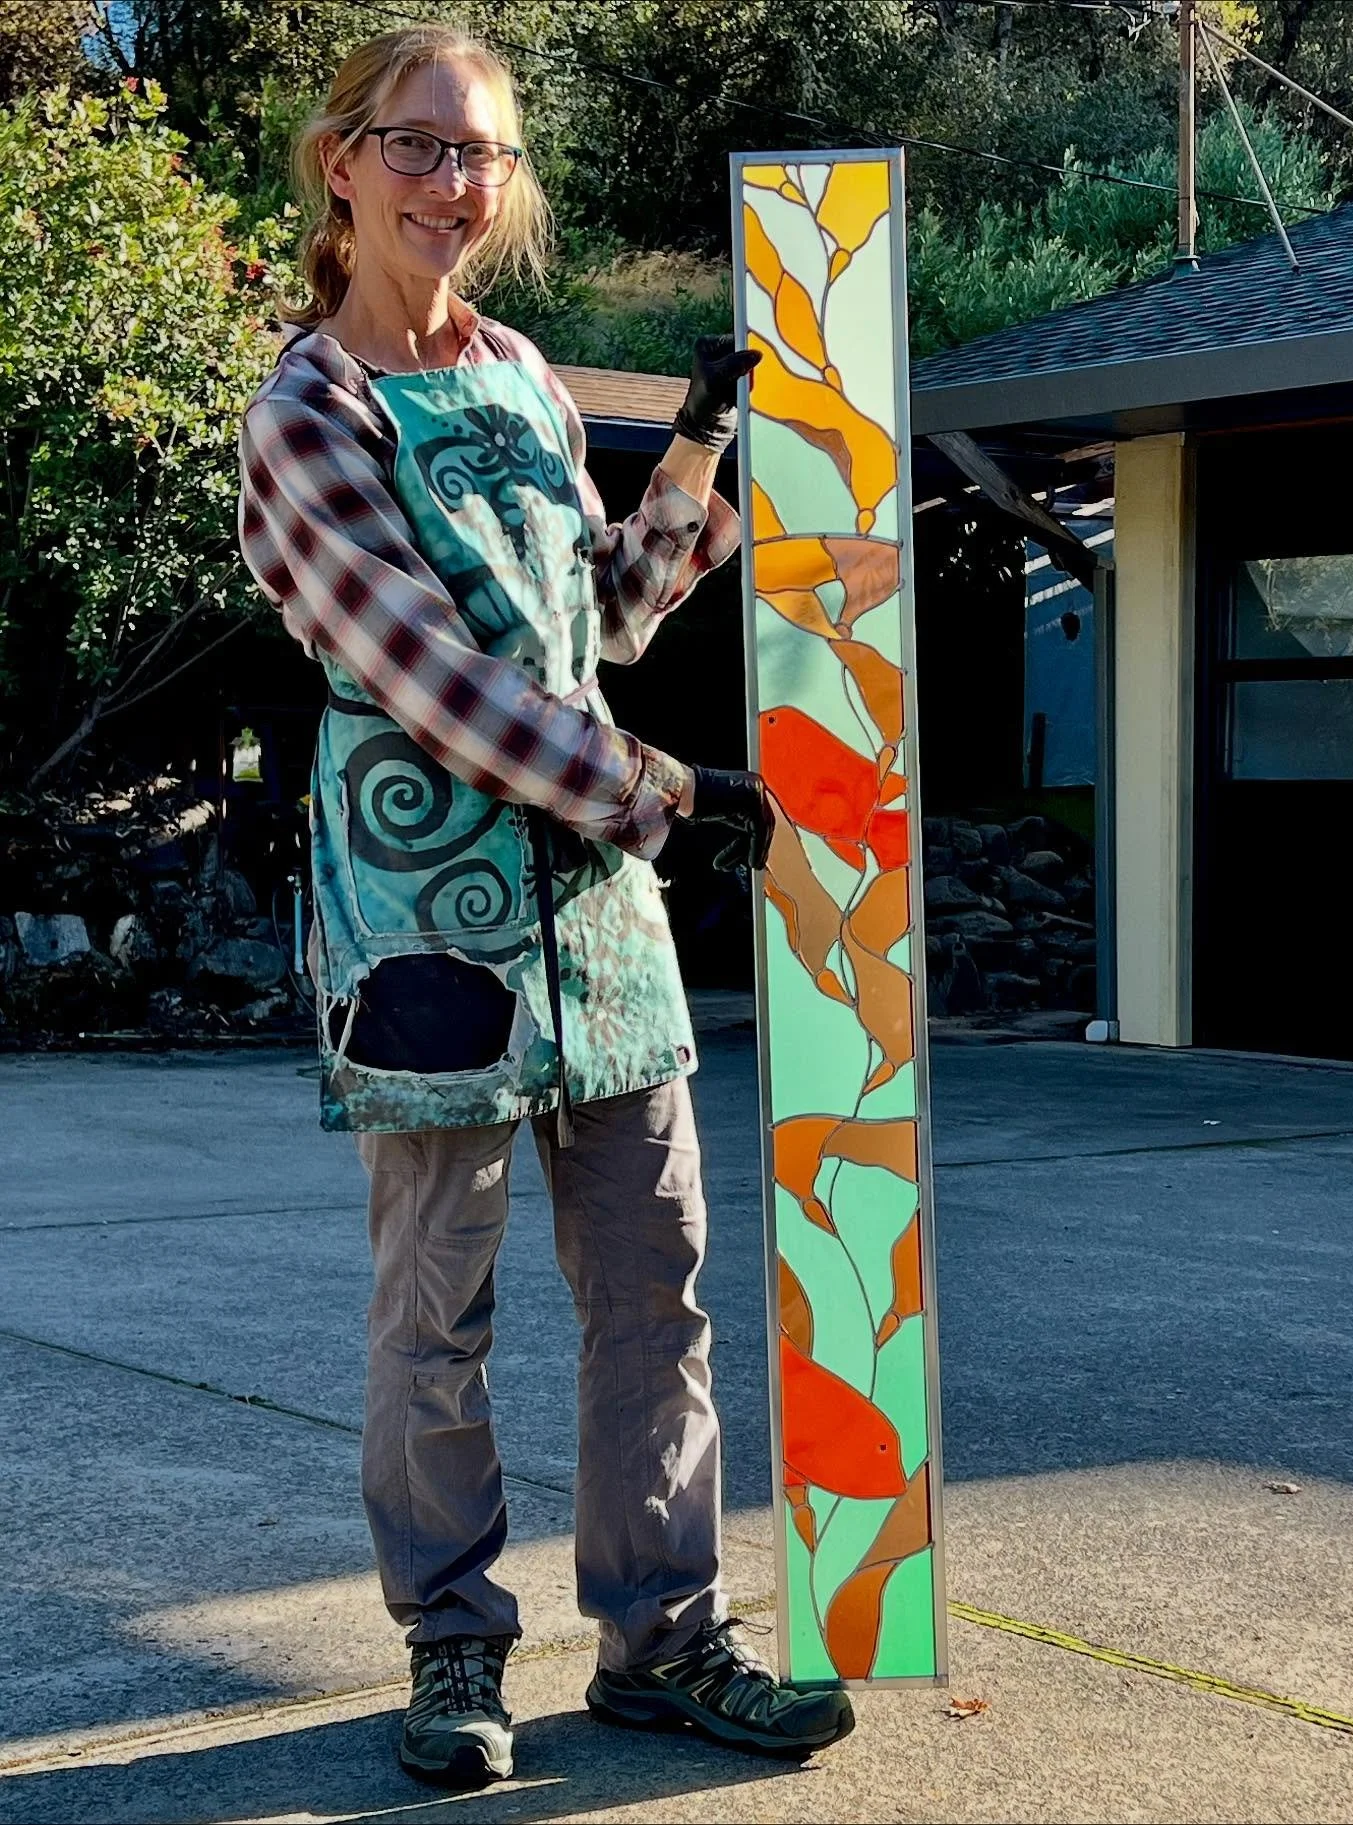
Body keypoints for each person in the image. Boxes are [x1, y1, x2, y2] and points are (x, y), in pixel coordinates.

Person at [237, 20, 854, 1791]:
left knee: (656, 1295)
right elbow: (438, 684)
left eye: (478, 155)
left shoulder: (515, 371)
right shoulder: (308, 415)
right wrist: (673, 791)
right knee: (436, 1318)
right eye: (417, 147)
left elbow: (600, 628)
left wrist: (692, 460)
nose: (450, 181)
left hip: (599, 929)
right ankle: (451, 1650)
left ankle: (666, 1645)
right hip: (431, 938)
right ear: (341, 166)